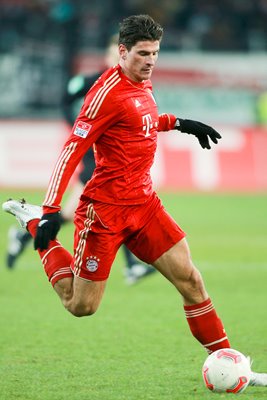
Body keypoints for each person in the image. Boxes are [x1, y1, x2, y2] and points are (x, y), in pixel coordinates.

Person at [3, 14, 266, 386]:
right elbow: (72, 150)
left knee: (191, 280)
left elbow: (141, 120)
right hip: (104, 212)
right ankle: (31, 224)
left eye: (155, 53)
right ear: (122, 52)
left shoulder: (142, 82)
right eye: (143, 53)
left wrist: (178, 122)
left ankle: (232, 363)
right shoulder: (104, 94)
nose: (151, 60)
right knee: (81, 306)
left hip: (144, 205)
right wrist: (48, 212)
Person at [5, 33, 156, 285]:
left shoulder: (130, 86)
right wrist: (82, 127)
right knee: (114, 205)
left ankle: (23, 236)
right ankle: (131, 266)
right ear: (113, 54)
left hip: (112, 155)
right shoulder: (90, 82)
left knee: (86, 209)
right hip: (95, 154)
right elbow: (66, 99)